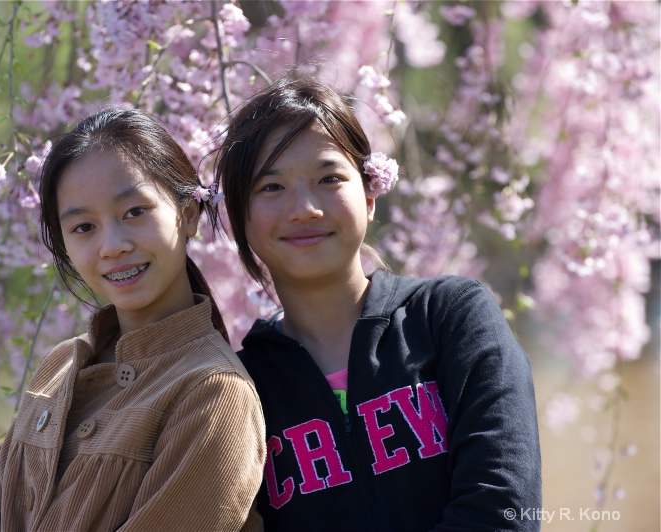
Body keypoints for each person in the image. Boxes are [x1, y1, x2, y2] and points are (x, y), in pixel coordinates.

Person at [213, 71, 542, 531]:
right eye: (271, 187)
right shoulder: (238, 390)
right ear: (239, 217)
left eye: (329, 178)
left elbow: (504, 510)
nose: (305, 207)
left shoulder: (450, 317)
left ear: (369, 194)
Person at [0, 108, 265, 532]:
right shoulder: (60, 365)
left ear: (188, 214)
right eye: (84, 227)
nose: (112, 246)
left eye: (134, 213)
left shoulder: (213, 395)